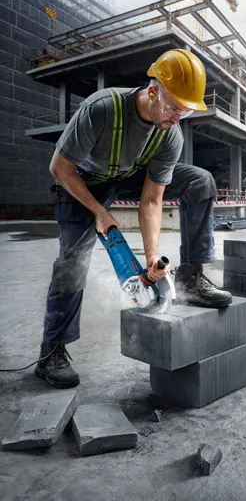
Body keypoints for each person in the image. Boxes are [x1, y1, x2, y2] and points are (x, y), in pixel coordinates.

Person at [35, 48, 232, 389]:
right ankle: (52, 349)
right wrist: (99, 211)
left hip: (128, 175)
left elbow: (152, 199)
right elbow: (59, 167)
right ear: (153, 92)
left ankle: (192, 277)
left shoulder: (171, 132)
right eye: (173, 108)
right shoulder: (101, 109)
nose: (176, 119)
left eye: (184, 113)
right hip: (81, 181)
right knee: (72, 261)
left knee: (200, 181)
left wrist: (153, 259)